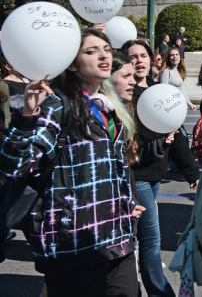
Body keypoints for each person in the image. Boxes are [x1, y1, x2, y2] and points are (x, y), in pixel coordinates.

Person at [0, 28, 143, 296]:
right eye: (91, 51)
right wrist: (27, 117)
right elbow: (13, 165)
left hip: (117, 242)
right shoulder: (58, 105)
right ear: (73, 63)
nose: (103, 56)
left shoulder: (110, 107)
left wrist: (126, 203)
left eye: (106, 50)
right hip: (72, 244)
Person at [111, 52, 199, 297]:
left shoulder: (156, 92)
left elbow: (175, 133)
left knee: (138, 240)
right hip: (135, 177)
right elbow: (131, 147)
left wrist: (191, 171)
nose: (139, 62)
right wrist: (159, 137)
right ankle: (161, 293)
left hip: (152, 177)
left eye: (143, 56)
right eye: (132, 58)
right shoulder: (119, 103)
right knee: (151, 240)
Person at [158, 46, 194, 111]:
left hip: (178, 103)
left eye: (177, 55)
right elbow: (163, 90)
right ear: (168, 58)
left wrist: (189, 103)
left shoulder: (179, 71)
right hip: (170, 106)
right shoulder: (166, 71)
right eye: (172, 55)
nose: (175, 57)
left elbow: (181, 89)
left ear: (180, 56)